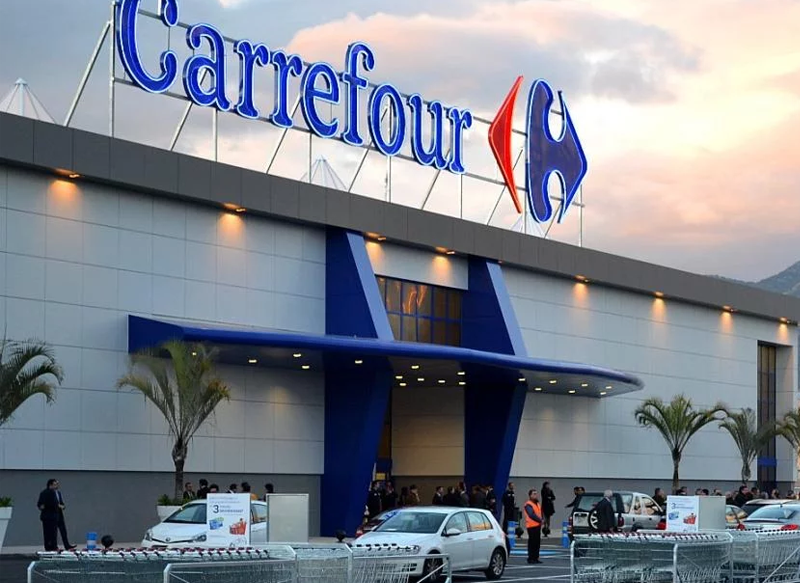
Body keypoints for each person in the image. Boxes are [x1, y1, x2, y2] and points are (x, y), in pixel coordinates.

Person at [37, 479, 61, 551]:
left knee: (47, 533)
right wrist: (58, 506)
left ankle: (48, 547)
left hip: (46, 516)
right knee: (53, 533)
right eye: (55, 484)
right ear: (50, 485)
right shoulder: (52, 493)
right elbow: (53, 504)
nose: (56, 486)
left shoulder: (43, 493)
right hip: (52, 516)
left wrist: (42, 506)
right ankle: (53, 547)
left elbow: (40, 504)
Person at [53, 480, 75, 550]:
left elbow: (61, 502)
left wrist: (63, 506)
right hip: (53, 515)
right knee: (54, 532)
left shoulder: (58, 493)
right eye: (55, 484)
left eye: (57, 484)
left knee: (63, 531)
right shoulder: (50, 493)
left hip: (60, 514)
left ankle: (67, 545)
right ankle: (54, 546)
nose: (57, 485)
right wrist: (58, 506)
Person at [523, 489, 543, 565]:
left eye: (536, 494)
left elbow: (539, 513)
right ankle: (531, 558)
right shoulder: (528, 504)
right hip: (531, 526)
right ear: (530, 495)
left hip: (537, 525)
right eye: (534, 494)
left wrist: (541, 520)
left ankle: (536, 558)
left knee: (537, 542)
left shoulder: (537, 503)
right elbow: (531, 514)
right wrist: (540, 520)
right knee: (532, 542)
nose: (535, 495)